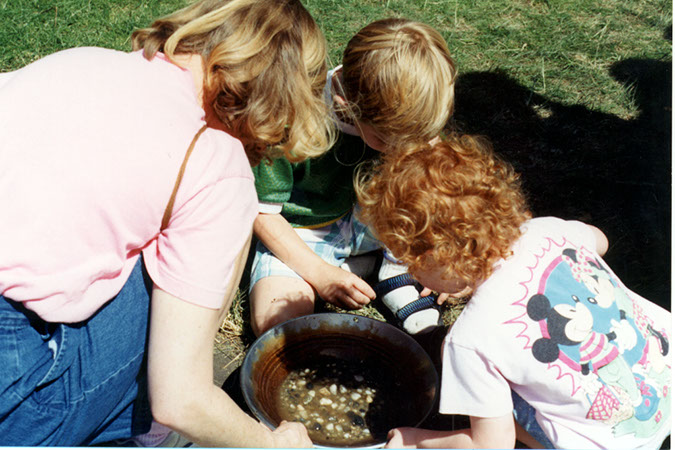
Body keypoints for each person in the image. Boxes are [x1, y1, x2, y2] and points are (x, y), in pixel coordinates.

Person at [0, 0, 335, 446]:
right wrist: (275, 443)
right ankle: (147, 434)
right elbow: (180, 398)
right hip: (15, 389)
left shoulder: (81, 59)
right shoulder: (216, 162)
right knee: (175, 359)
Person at [356, 136, 671, 449]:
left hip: (615, 443)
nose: (411, 271)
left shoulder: (469, 340)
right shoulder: (547, 229)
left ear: (440, 261)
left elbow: (491, 445)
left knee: (461, 365)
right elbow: (599, 239)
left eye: (411, 262)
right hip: (665, 374)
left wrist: (415, 440)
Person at [249, 18, 457, 336]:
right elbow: (262, 213)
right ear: (345, 105)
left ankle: (387, 268)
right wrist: (318, 272)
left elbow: (438, 179)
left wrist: (446, 253)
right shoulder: (293, 118)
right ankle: (362, 269)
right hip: (306, 231)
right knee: (277, 321)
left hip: (378, 225)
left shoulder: (405, 118)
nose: (408, 148)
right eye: (388, 141)